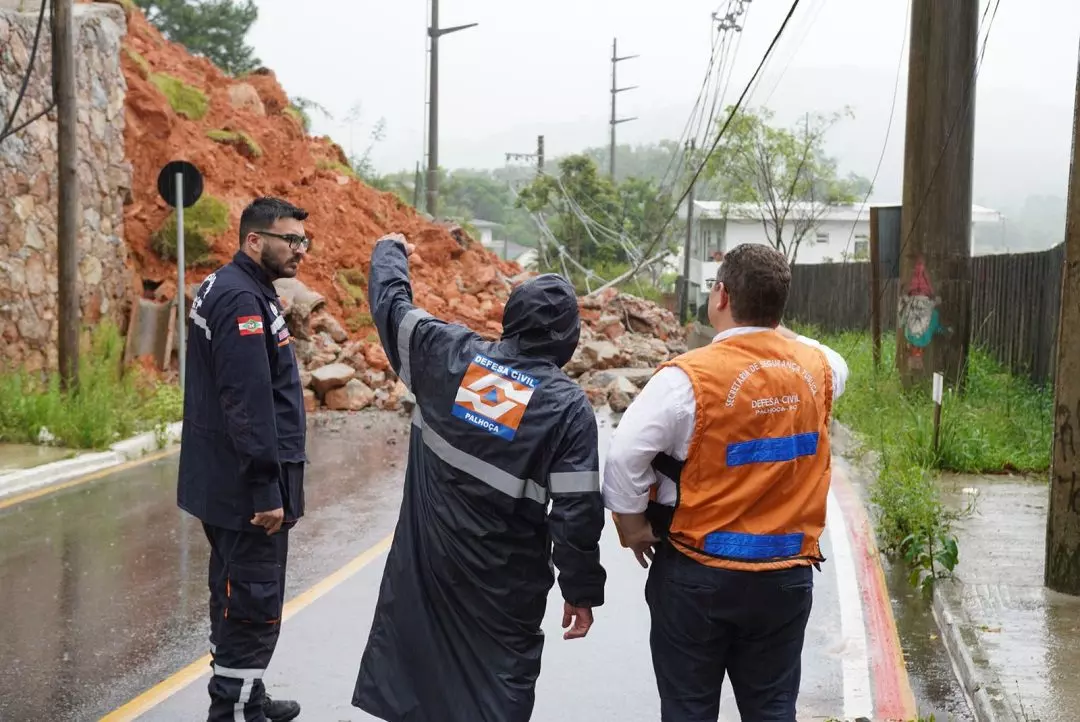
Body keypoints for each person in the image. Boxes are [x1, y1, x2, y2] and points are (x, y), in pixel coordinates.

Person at [352, 233, 607, 722]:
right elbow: (577, 514)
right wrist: (580, 590)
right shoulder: (568, 409)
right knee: (494, 700)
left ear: (510, 319)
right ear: (568, 339)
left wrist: (389, 249)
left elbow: (390, 304)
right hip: (502, 596)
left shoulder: (446, 355)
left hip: (426, 578)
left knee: (419, 693)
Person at [602, 243, 849, 721]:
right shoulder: (817, 370)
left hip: (698, 573)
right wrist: (772, 327)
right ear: (780, 308)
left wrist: (630, 524)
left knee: (689, 709)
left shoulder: (686, 380)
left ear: (720, 295)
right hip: (785, 575)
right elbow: (829, 356)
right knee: (773, 708)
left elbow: (625, 454)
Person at [178, 196, 311, 722]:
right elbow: (247, 401)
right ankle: (233, 711)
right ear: (254, 241)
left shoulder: (238, 287)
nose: (300, 250)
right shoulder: (240, 301)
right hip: (244, 490)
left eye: (303, 240)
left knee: (234, 589)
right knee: (252, 601)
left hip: (226, 482)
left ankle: (247, 695)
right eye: (290, 240)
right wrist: (265, 489)